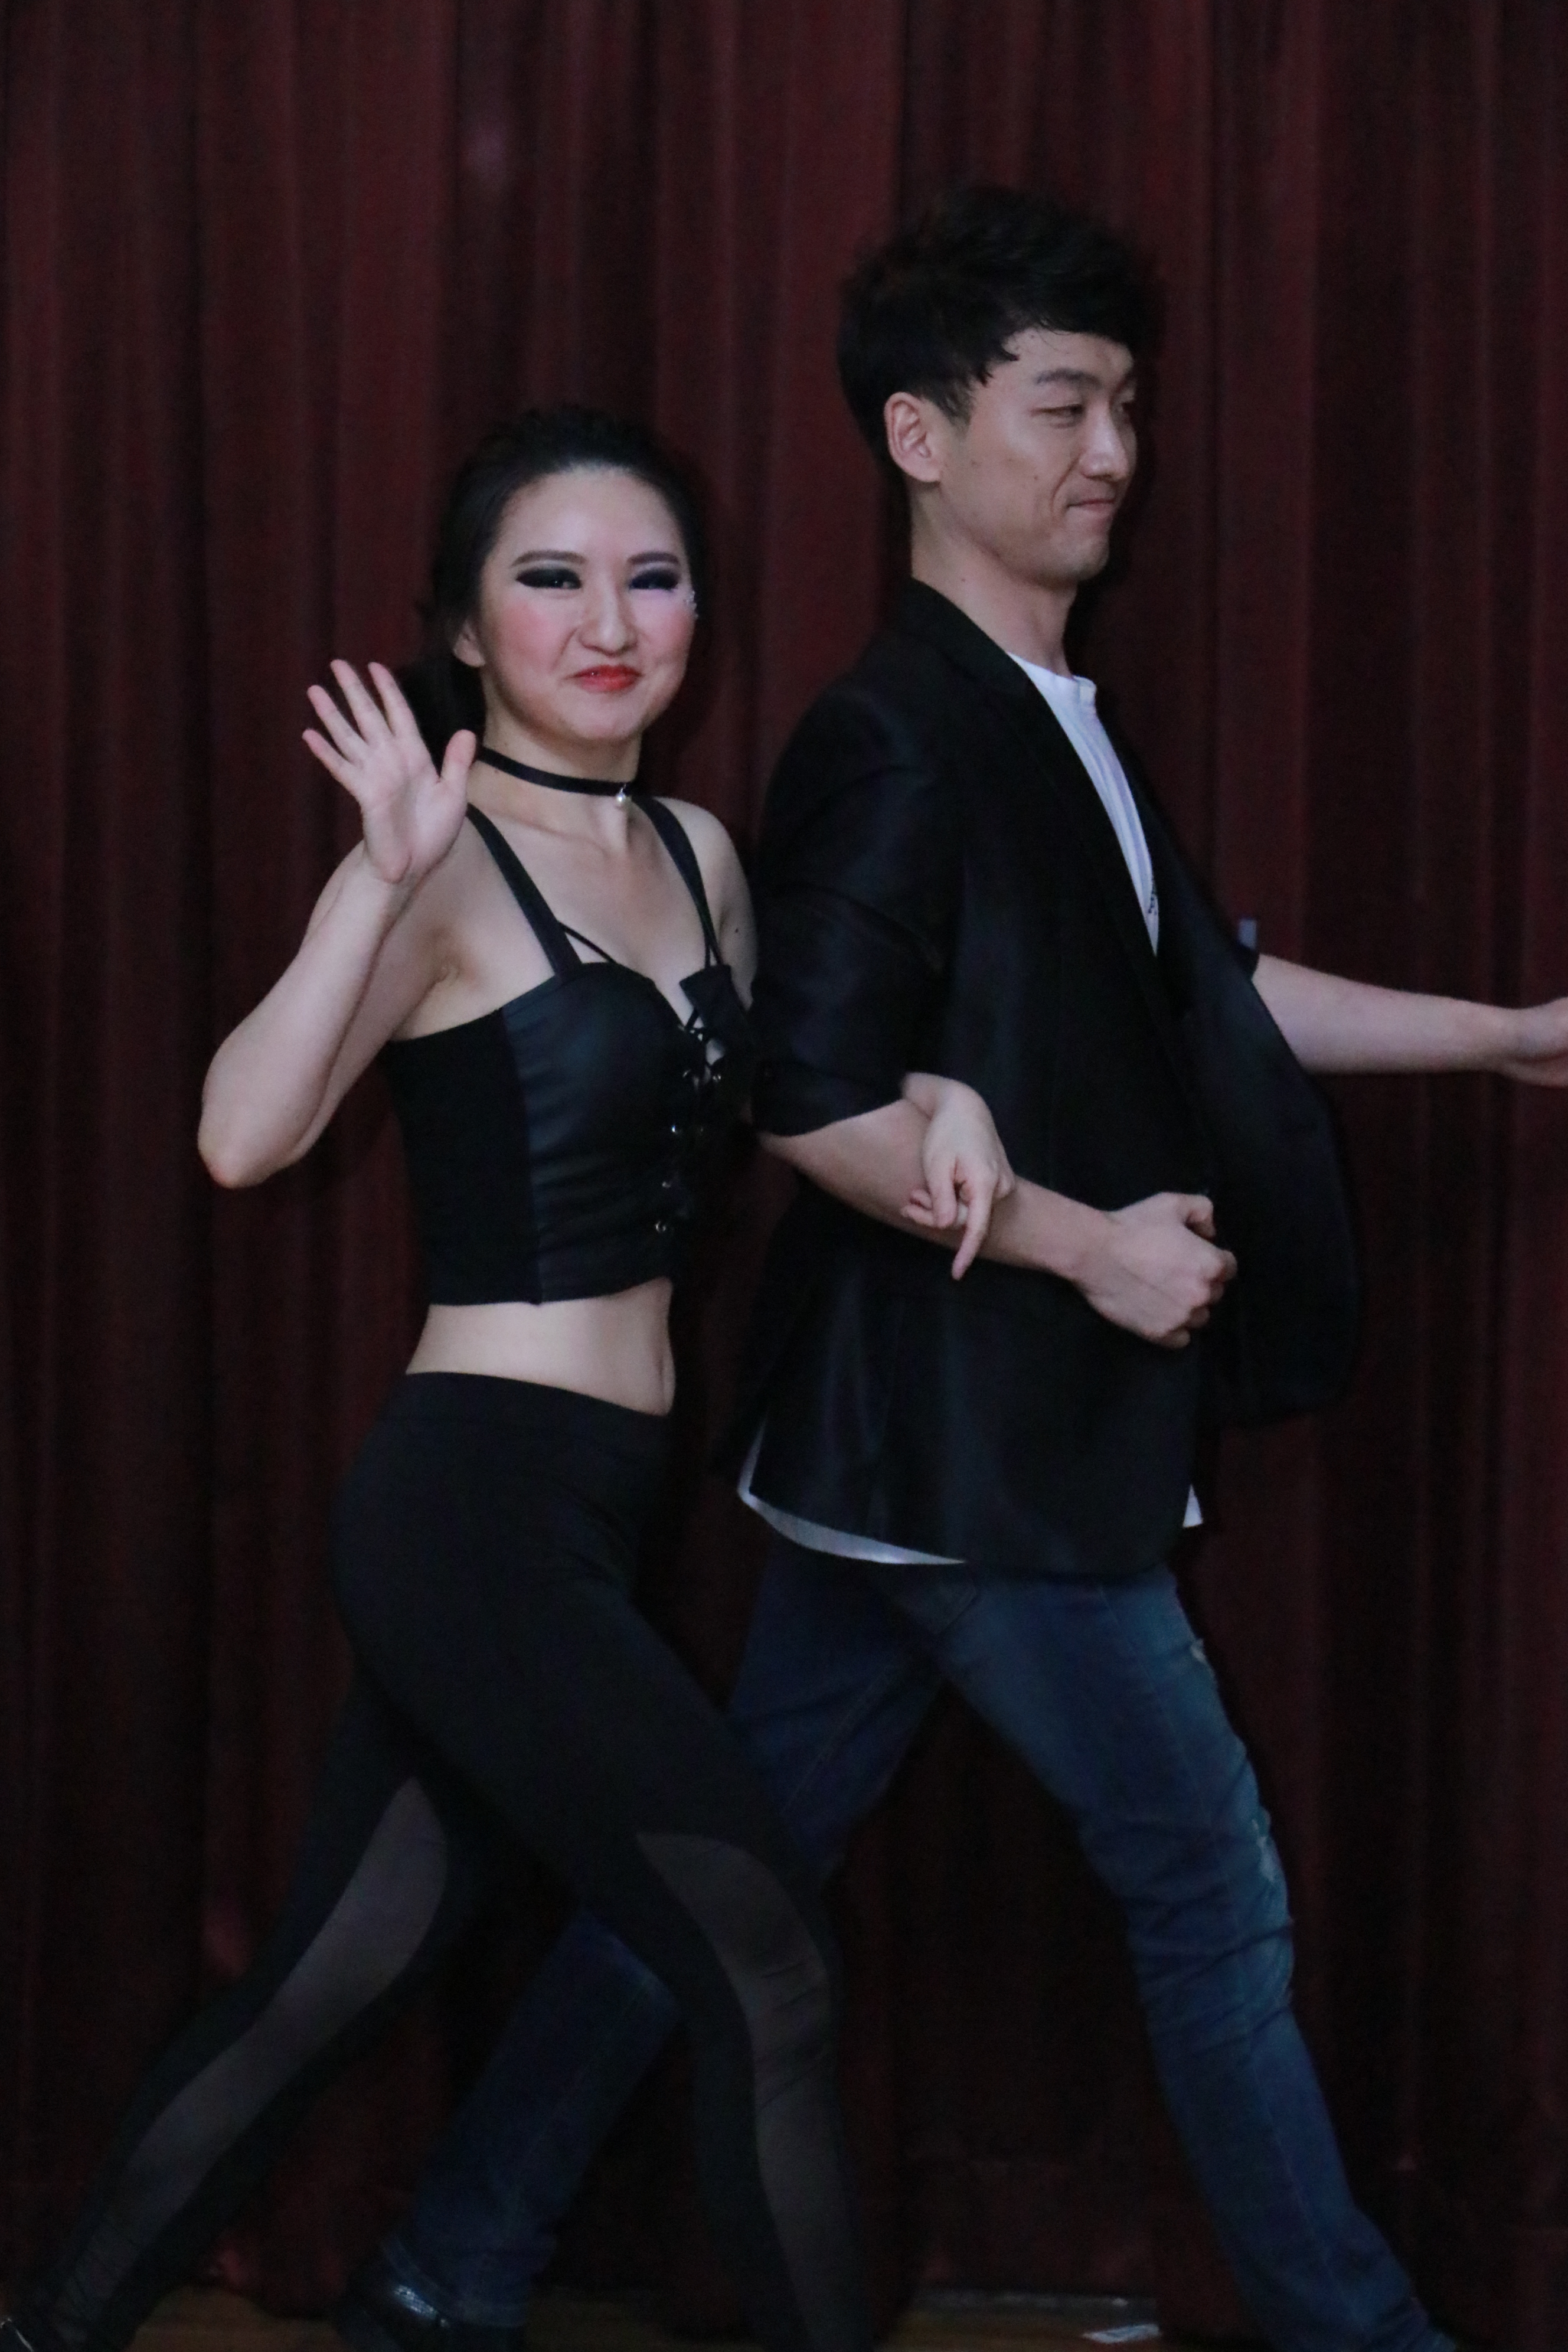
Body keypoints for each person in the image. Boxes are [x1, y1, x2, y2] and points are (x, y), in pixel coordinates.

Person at [325, 194, 1568, 2352]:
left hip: (893, 1452)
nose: (1114, 454)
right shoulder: (896, 730)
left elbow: (1200, 992)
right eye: (1063, 407)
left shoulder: (1053, 713)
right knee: (1207, 1890)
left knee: (722, 1884)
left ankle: (452, 2258)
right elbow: (805, 1093)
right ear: (920, 435)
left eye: (1127, 408)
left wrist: (1505, 1037)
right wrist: (1088, 1248)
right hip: (977, 1447)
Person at [1, 404, 1012, 2352]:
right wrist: (375, 883)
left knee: (330, 1980)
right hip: (470, 1506)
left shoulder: (700, 857)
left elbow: (790, 1103)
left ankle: (56, 2322)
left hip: (599, 1509)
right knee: (771, 1969)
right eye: (552, 579)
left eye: (653, 578)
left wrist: (945, 1096)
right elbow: (239, 1134)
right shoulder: (447, 866)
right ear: (467, 629)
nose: (610, 623)